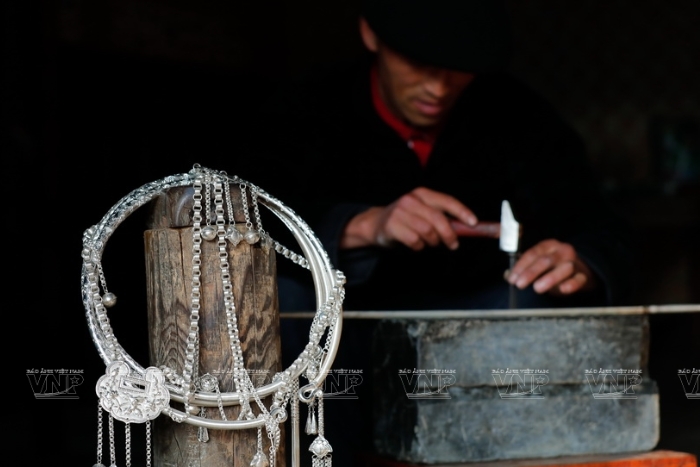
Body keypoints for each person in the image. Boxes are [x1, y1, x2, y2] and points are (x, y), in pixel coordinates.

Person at [241, 0, 633, 464]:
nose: (438, 87)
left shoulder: (521, 117)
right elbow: (242, 221)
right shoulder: (305, 110)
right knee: (285, 300)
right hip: (346, 342)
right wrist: (363, 225)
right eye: (420, 63)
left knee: (533, 302)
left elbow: (602, 227)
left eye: (459, 69)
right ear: (371, 34)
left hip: (474, 339)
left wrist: (580, 261)